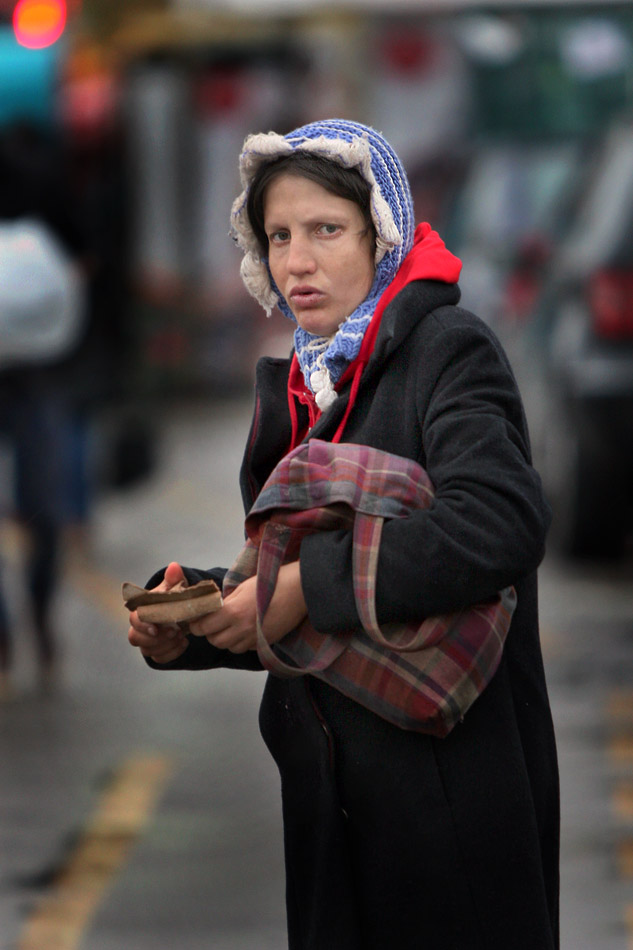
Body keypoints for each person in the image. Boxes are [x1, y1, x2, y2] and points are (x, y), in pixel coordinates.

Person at [126, 119, 559, 950]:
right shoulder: (305, 378)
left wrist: (300, 589)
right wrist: (199, 622)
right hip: (332, 810)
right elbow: (313, 591)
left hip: (448, 813)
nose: (296, 261)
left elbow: (499, 522)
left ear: (380, 234)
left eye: (325, 229)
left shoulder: (446, 351)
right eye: (279, 236)